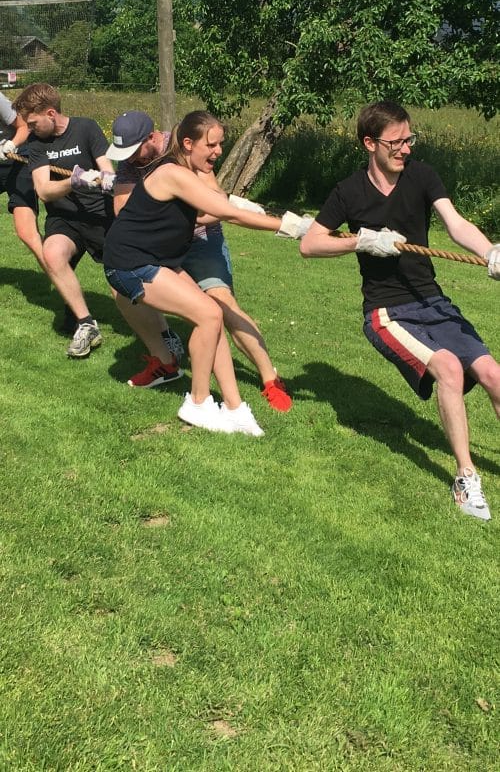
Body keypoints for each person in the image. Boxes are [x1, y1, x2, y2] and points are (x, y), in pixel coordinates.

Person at [300, 99, 500, 521]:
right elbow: (310, 243)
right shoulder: (349, 192)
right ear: (369, 143)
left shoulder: (422, 176)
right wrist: (361, 241)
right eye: (396, 142)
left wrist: (490, 251)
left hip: (432, 300)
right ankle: (466, 478)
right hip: (387, 312)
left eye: (409, 139)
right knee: (448, 368)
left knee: (492, 374)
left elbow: (455, 223)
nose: (406, 149)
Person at [102, 110, 293, 435]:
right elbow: (227, 213)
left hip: (158, 257)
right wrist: (292, 226)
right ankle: (198, 402)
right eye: (212, 145)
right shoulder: (172, 173)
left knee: (213, 314)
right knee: (209, 314)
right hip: (129, 263)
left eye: (220, 144)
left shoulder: (184, 168)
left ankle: (234, 407)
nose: (218, 152)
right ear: (188, 144)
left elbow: (210, 210)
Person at [14, 83, 116, 358]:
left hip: (100, 215)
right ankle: (86, 324)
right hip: (64, 219)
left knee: (123, 281)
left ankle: (162, 332)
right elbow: (44, 190)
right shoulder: (37, 144)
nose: (30, 129)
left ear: (51, 113)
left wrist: (107, 178)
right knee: (52, 253)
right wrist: (74, 181)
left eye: (33, 123)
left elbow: (106, 167)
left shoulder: (86, 128)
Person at [0, 89, 45, 268]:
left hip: (17, 160)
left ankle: (58, 271)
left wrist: (11, 144)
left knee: (26, 232)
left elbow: (24, 126)